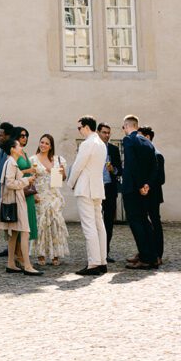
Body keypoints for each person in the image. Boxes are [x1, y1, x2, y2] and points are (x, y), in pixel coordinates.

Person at [67, 116, 108, 276]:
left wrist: (70, 183)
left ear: (86, 127)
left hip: (85, 188)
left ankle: (93, 263)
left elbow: (78, 166)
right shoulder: (102, 144)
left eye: (79, 128)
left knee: (89, 226)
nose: (79, 130)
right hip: (97, 187)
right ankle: (102, 261)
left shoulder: (87, 143)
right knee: (99, 224)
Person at [0, 137, 41, 276]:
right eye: (18, 146)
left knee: (14, 233)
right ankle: (27, 266)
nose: (21, 148)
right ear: (12, 149)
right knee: (24, 231)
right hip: (16, 201)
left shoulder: (11, 162)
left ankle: (10, 263)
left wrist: (26, 178)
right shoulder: (11, 163)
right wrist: (26, 180)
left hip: (14, 201)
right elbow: (10, 183)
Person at [121, 114, 158, 270]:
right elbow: (155, 167)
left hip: (132, 189)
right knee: (145, 222)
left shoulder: (129, 140)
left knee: (136, 224)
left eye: (123, 127)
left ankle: (145, 258)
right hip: (144, 190)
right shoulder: (147, 142)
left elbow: (131, 164)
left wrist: (138, 186)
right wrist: (147, 185)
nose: (123, 130)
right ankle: (153, 256)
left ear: (128, 126)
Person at [30, 134, 69, 266]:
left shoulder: (58, 160)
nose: (43, 145)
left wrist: (62, 172)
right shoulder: (33, 159)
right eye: (42, 142)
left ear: (51, 146)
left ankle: (55, 254)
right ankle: (41, 254)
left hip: (54, 195)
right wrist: (34, 194)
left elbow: (60, 180)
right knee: (41, 224)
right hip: (40, 196)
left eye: (46, 143)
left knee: (55, 223)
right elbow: (31, 179)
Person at [139, 126, 164, 266]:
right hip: (144, 195)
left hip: (153, 196)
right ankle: (146, 252)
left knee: (155, 224)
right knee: (144, 224)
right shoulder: (147, 153)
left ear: (147, 137)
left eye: (141, 137)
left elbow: (161, 178)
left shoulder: (157, 154)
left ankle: (158, 254)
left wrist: (147, 186)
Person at [97, 122, 122, 262]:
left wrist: (114, 170)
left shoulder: (113, 149)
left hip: (109, 189)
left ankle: (105, 252)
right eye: (104, 132)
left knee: (108, 222)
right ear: (98, 133)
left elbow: (120, 169)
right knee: (95, 222)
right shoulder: (93, 148)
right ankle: (95, 253)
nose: (106, 135)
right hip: (95, 188)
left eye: (108, 133)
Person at [12, 127, 38, 246]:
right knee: (21, 223)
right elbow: (13, 173)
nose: (25, 138)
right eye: (22, 135)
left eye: (26, 135)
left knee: (28, 222)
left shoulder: (25, 153)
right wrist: (29, 170)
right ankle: (18, 255)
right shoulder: (14, 154)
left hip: (28, 190)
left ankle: (22, 254)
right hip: (20, 190)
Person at [0, 121, 15, 256]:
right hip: (0, 188)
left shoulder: (11, 150)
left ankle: (12, 247)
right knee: (4, 218)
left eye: (1, 135)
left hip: (8, 189)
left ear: (8, 136)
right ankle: (8, 246)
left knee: (10, 218)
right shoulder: (1, 148)